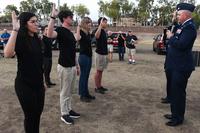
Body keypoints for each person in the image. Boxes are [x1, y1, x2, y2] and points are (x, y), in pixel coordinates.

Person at [4, 12, 45, 133]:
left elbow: (38, 64)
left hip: (38, 85)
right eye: (33, 22)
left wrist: (42, 81)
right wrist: (15, 30)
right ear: (24, 24)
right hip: (25, 85)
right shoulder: (20, 38)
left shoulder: (36, 39)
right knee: (30, 116)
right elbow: (7, 53)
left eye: (36, 21)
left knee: (37, 114)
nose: (36, 24)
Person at [164, 3, 197, 126]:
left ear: (184, 14)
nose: (177, 16)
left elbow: (182, 45)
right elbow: (175, 26)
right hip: (176, 65)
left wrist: (171, 37)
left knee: (178, 93)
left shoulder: (190, 28)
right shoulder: (182, 26)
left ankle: (178, 118)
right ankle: (174, 114)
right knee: (174, 92)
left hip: (181, 66)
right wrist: (173, 20)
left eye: (178, 14)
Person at [47, 4, 80, 125]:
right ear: (65, 18)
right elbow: (49, 34)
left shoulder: (70, 32)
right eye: (71, 16)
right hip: (64, 67)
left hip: (71, 66)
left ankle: (69, 109)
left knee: (70, 91)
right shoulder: (60, 30)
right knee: (64, 91)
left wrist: (77, 65)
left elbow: (72, 51)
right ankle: (64, 114)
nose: (72, 18)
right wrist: (52, 17)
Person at [75, 17, 95, 102]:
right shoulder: (82, 33)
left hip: (89, 56)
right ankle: (82, 95)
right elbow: (77, 38)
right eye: (88, 23)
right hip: (83, 57)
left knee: (86, 76)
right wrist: (78, 27)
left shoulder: (88, 33)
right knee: (83, 76)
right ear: (84, 24)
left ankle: (86, 93)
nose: (90, 24)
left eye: (90, 22)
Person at [161, 11, 179, 104]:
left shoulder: (178, 27)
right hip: (169, 56)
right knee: (169, 79)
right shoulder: (170, 27)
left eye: (174, 16)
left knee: (173, 81)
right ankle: (169, 97)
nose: (172, 17)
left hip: (174, 58)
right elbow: (165, 39)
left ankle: (172, 98)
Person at [94, 17, 109, 94]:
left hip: (104, 53)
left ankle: (99, 86)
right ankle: (97, 87)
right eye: (105, 22)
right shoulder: (98, 30)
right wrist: (99, 26)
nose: (106, 23)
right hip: (99, 53)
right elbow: (96, 36)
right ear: (100, 23)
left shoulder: (103, 31)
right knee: (98, 71)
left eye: (106, 22)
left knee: (101, 71)